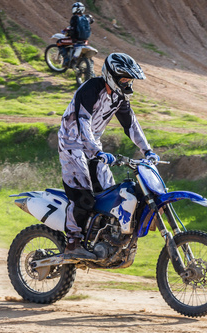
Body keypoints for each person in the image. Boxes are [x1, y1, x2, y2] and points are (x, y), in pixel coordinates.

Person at [58, 53, 160, 259]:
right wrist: (97, 152)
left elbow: (131, 125)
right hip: (72, 142)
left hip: (93, 144)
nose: (128, 83)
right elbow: (83, 123)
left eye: (130, 80)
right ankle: (72, 242)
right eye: (125, 79)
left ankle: (103, 238)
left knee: (108, 193)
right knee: (83, 192)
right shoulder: (91, 89)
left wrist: (147, 150)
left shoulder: (119, 97)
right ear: (112, 76)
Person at [61, 2, 94, 68]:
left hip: (75, 40)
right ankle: (92, 73)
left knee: (59, 42)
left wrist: (67, 31)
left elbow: (72, 28)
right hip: (85, 40)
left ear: (76, 9)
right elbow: (92, 21)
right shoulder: (87, 17)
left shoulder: (75, 18)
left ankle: (66, 60)